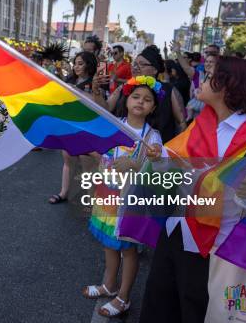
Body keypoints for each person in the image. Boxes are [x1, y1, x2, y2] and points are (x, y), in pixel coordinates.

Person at [132, 57, 246, 323]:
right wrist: (158, 159)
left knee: (195, 309)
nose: (202, 81)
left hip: (215, 244)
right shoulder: (202, 122)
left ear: (227, 86)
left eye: (209, 77)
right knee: (158, 304)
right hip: (177, 228)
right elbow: (176, 169)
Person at [83, 76, 163, 317]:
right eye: (136, 97)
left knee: (128, 250)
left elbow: (157, 169)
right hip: (108, 195)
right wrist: (102, 160)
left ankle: (124, 296)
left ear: (154, 107)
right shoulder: (114, 125)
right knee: (108, 243)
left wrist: (138, 164)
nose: (141, 102)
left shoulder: (153, 138)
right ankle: (109, 284)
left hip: (131, 202)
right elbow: (100, 151)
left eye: (147, 99)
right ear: (127, 100)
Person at [93, 45, 187, 143]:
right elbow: (106, 108)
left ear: (155, 69)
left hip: (156, 150)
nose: (135, 68)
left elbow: (181, 122)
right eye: (135, 64)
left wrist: (174, 149)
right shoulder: (125, 86)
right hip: (124, 146)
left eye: (142, 64)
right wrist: (96, 90)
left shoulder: (168, 89)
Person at [49, 51, 98, 204]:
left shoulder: (94, 82)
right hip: (70, 126)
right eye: (75, 63)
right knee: (68, 160)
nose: (76, 67)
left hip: (88, 128)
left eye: (80, 63)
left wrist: (77, 91)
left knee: (87, 166)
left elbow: (99, 104)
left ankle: (90, 199)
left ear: (89, 65)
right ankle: (63, 193)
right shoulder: (70, 79)